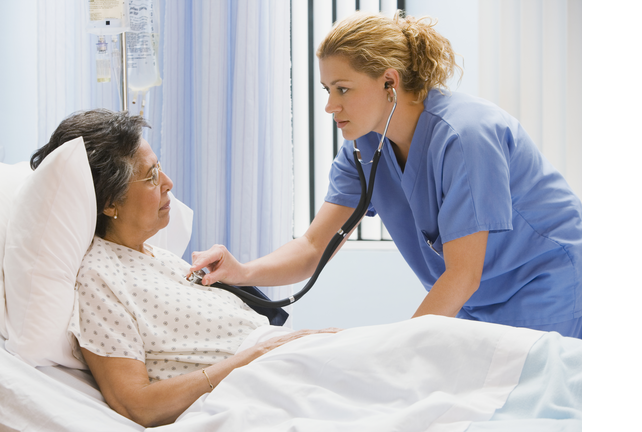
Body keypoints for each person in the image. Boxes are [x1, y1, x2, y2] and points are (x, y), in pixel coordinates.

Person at [190, 11, 582, 339]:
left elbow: (463, 275)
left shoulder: (467, 136)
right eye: (327, 89)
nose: (329, 106)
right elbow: (313, 247)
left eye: (343, 89)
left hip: (547, 285)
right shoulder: (364, 148)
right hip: (473, 300)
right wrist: (243, 271)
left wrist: (396, 353)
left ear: (389, 82)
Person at [30, 109, 340, 427]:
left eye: (160, 169)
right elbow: (137, 404)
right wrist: (253, 357)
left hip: (284, 360)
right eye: (151, 176)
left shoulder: (158, 257)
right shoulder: (100, 277)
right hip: (261, 379)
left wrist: (275, 336)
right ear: (110, 202)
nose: (168, 183)